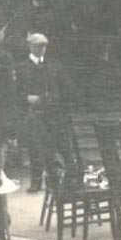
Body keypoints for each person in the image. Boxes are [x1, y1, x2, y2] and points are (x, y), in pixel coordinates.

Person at [14, 33, 75, 193]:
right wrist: (26, 98)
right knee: (35, 147)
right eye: (38, 46)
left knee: (54, 146)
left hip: (53, 113)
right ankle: (36, 181)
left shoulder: (54, 66)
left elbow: (66, 88)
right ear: (30, 46)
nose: (42, 49)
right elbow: (14, 92)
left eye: (44, 46)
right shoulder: (21, 67)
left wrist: (55, 99)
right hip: (33, 113)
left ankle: (54, 179)